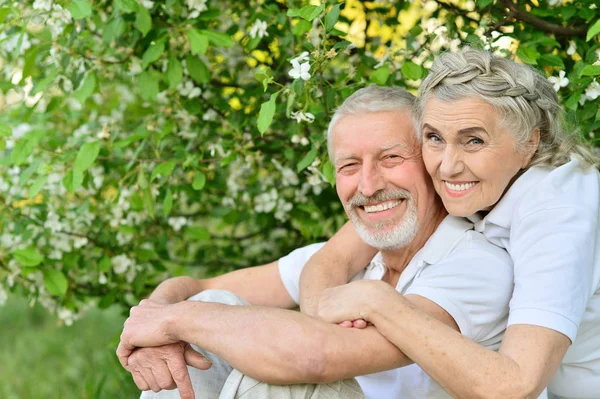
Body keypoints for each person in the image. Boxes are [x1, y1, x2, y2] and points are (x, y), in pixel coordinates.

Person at [117, 86, 514, 399]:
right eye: (349, 166)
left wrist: (172, 321)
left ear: (430, 161)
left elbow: (316, 357)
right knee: (214, 308)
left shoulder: (474, 264)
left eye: (391, 158)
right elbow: (198, 289)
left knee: (284, 378)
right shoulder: (349, 258)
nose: (369, 185)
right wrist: (156, 326)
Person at [300, 48, 600, 399]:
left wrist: (377, 302)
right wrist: (320, 324)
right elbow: (333, 258)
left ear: (529, 142)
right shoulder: (477, 184)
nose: (447, 166)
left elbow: (515, 386)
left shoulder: (557, 208)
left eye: (474, 140)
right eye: (434, 138)